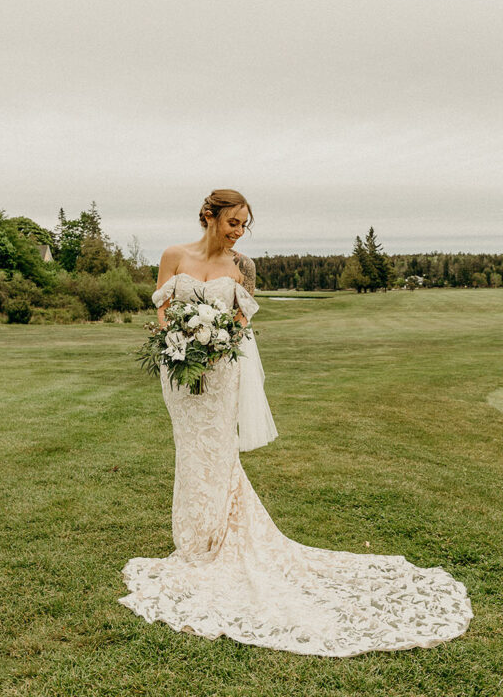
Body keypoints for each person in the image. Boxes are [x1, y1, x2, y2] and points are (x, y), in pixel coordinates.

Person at [118, 190, 472, 656]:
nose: (238, 231)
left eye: (245, 224)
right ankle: (195, 540)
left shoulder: (241, 267)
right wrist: (178, 341)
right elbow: (162, 310)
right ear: (210, 216)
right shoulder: (173, 255)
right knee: (190, 450)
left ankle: (212, 542)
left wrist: (216, 341)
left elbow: (241, 324)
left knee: (218, 452)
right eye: (233, 222)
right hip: (180, 372)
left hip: (221, 373)